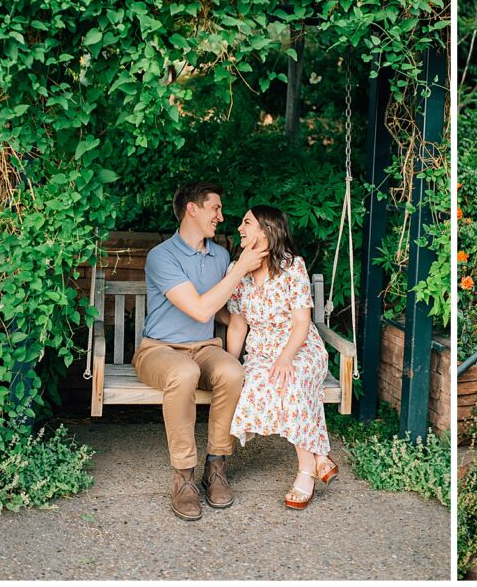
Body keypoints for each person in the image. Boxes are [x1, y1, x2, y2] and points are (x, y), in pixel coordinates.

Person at [133, 182, 268, 521]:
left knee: (233, 371)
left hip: (205, 347)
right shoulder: (162, 256)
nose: (221, 217)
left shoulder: (220, 255)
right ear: (192, 209)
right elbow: (198, 310)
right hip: (160, 350)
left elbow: (220, 310)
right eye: (215, 209)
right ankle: (183, 478)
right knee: (184, 372)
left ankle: (216, 467)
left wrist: (251, 319)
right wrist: (240, 268)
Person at [226, 205, 336, 510]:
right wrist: (231, 362)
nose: (239, 228)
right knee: (261, 380)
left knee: (290, 379)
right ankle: (318, 456)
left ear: (266, 230)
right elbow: (237, 324)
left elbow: (302, 323)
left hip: (300, 347)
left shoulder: (292, 267)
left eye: (246, 222)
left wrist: (287, 357)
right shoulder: (238, 272)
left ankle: (306, 471)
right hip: (261, 350)